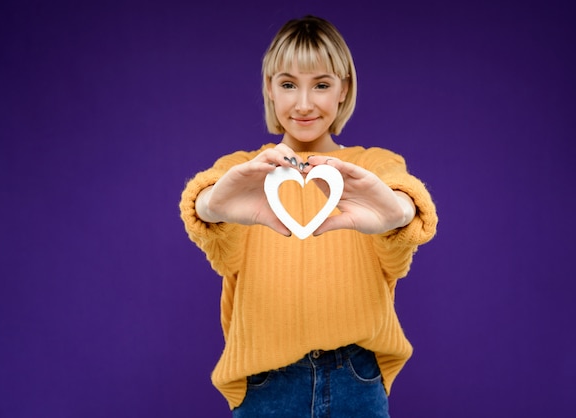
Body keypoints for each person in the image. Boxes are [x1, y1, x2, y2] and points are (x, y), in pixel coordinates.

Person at [179, 15, 437, 417]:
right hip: (266, 385)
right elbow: (210, 206)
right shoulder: (247, 169)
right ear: (269, 89)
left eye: (321, 84)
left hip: (357, 379)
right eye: (287, 85)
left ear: (343, 90)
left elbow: (401, 204)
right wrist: (212, 206)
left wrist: (397, 213)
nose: (303, 103)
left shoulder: (372, 165)